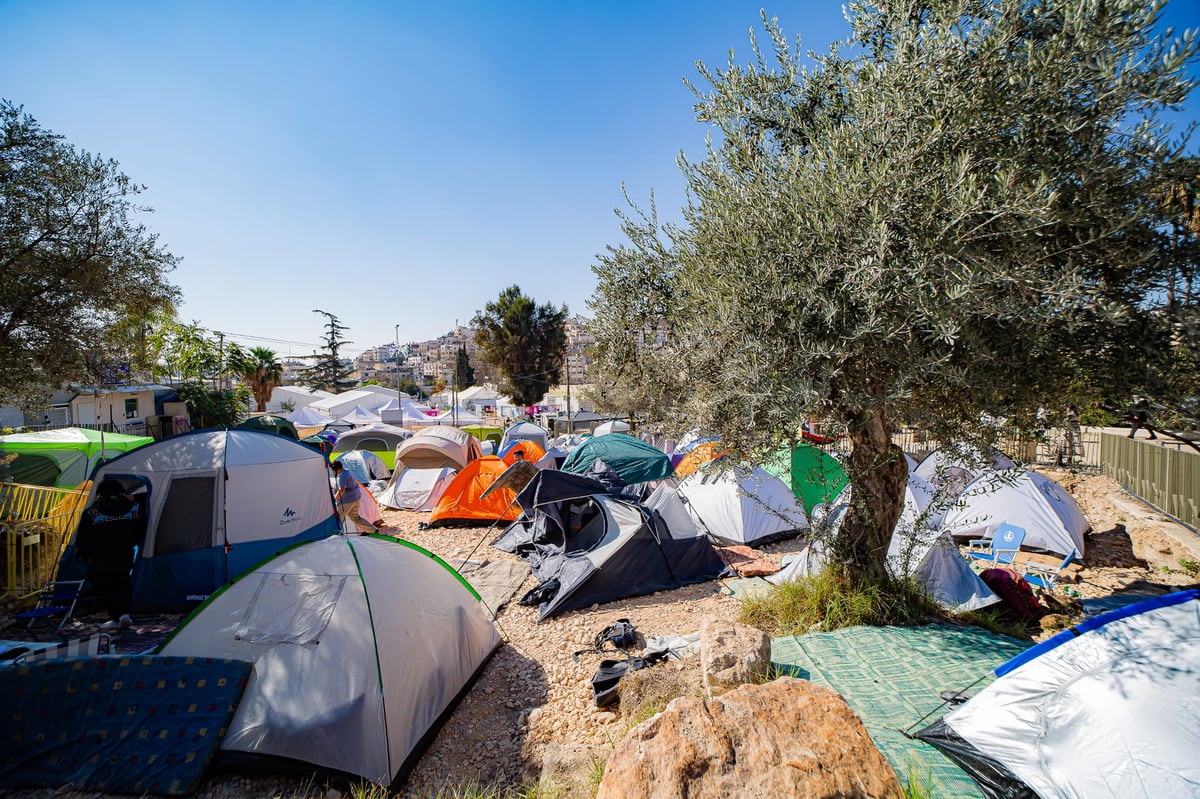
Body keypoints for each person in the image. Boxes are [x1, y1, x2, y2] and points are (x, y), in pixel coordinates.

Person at [74, 478, 145, 631]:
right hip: (124, 554)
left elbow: (84, 538)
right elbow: (140, 530)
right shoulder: (134, 509)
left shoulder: (92, 513)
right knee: (123, 583)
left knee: (105, 587)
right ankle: (124, 614)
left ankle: (116, 616)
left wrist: (85, 554)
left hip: (100, 559)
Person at [331, 460, 379, 535]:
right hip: (356, 498)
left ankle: (337, 535)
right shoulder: (348, 472)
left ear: (335, 469)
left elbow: (342, 489)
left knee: (338, 519)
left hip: (347, 501)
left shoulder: (342, 476)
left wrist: (335, 499)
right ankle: (373, 530)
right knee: (355, 518)